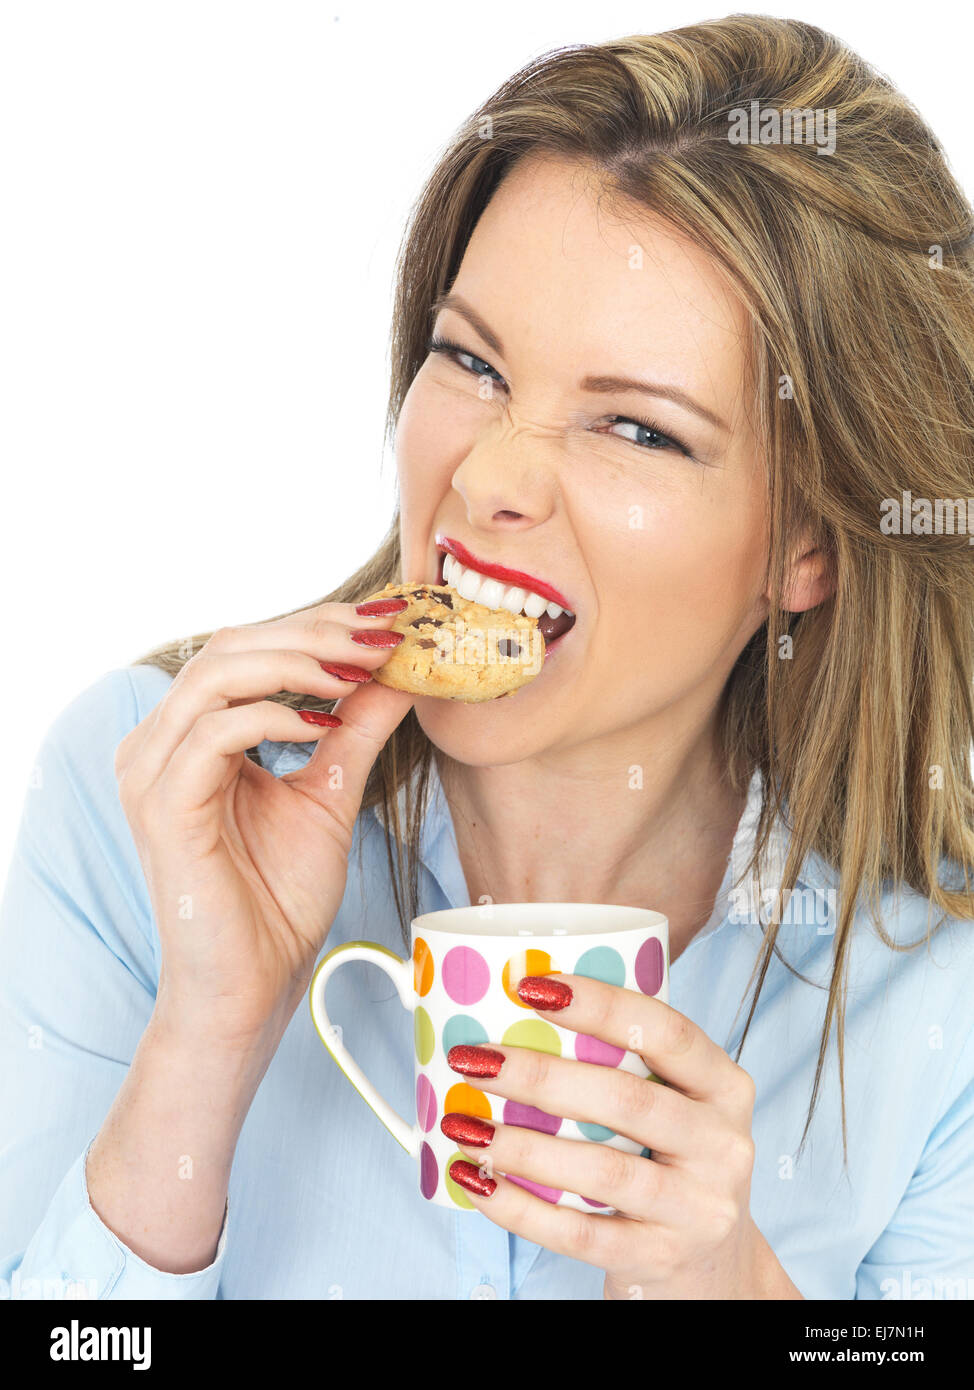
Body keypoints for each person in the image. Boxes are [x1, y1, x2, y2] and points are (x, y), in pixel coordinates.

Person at [2, 15, 973, 1301]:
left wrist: (728, 1290)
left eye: (635, 426)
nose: (492, 476)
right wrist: (207, 1036)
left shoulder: (930, 1002)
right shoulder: (153, 798)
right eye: (469, 360)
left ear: (805, 548)